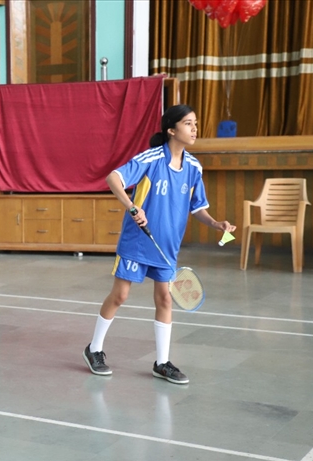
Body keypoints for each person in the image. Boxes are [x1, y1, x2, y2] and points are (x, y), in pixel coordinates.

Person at [82, 104, 236, 384]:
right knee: (120, 296)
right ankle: (94, 349)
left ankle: (162, 363)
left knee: (165, 299)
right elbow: (113, 178)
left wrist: (215, 223)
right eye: (188, 123)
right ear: (171, 130)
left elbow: (197, 207)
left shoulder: (193, 167)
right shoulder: (151, 158)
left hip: (166, 248)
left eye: (196, 123)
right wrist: (132, 207)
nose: (194, 129)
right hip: (138, 241)